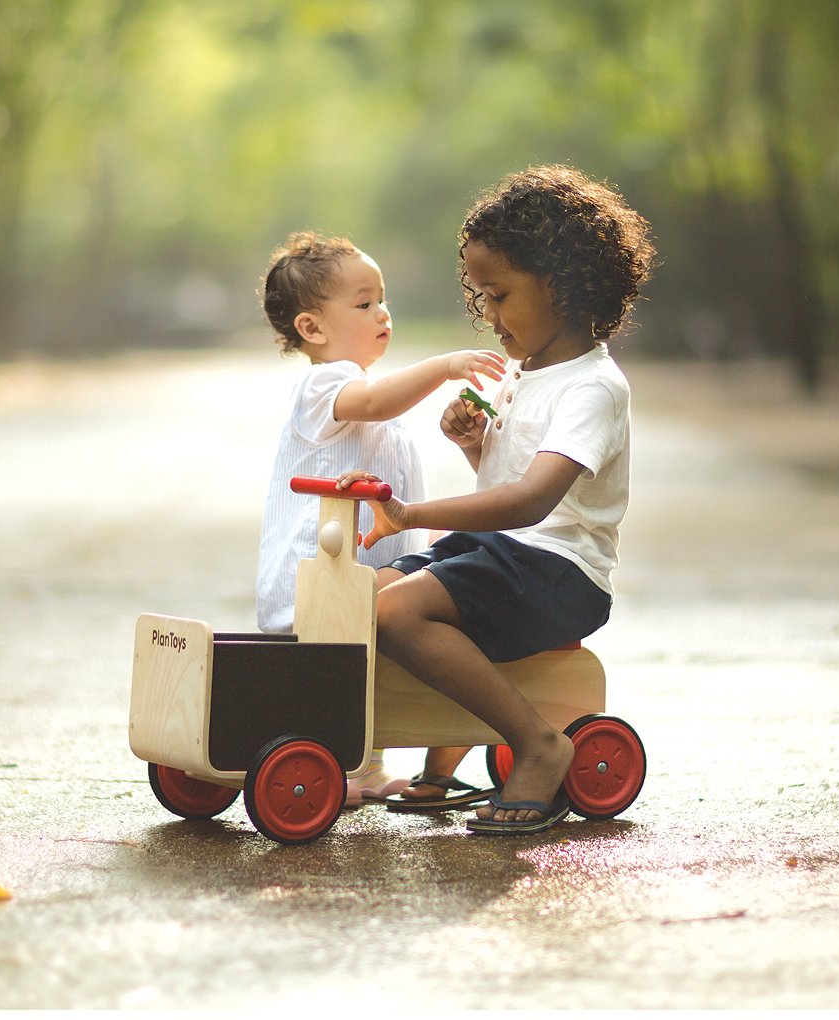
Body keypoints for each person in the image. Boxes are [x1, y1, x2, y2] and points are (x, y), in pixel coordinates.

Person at [339, 164, 656, 834]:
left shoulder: (593, 387)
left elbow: (532, 503)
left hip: (559, 571)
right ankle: (434, 751)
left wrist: (413, 514)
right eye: (480, 295)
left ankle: (539, 745)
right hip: (506, 555)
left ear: (564, 287)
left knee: (401, 614)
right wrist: (474, 446)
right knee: (365, 598)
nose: (488, 313)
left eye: (501, 294)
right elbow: (507, 481)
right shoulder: (522, 372)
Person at [255, 230, 506, 805]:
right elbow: (376, 403)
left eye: (382, 298)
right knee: (336, 671)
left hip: (366, 568)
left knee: (365, 672)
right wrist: (444, 367)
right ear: (313, 329)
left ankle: (364, 766)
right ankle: (328, 760)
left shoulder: (367, 392)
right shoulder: (326, 384)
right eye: (364, 303)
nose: (382, 313)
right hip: (319, 566)